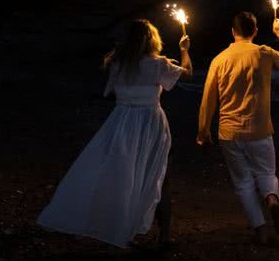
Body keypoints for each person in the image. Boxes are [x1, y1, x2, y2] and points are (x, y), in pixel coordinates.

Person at [38, 19, 192, 248]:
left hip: (121, 121)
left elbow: (113, 90)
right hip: (150, 122)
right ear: (152, 40)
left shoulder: (117, 63)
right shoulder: (158, 64)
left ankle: (118, 225)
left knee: (122, 173)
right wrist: (184, 50)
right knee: (158, 175)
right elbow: (187, 74)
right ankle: (164, 236)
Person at [198, 12, 279, 244]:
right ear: (255, 31)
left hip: (229, 131)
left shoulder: (219, 59)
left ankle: (261, 230)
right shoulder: (263, 52)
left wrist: (203, 131)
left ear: (233, 32)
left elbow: (208, 99)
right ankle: (271, 199)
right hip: (259, 128)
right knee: (267, 173)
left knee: (243, 182)